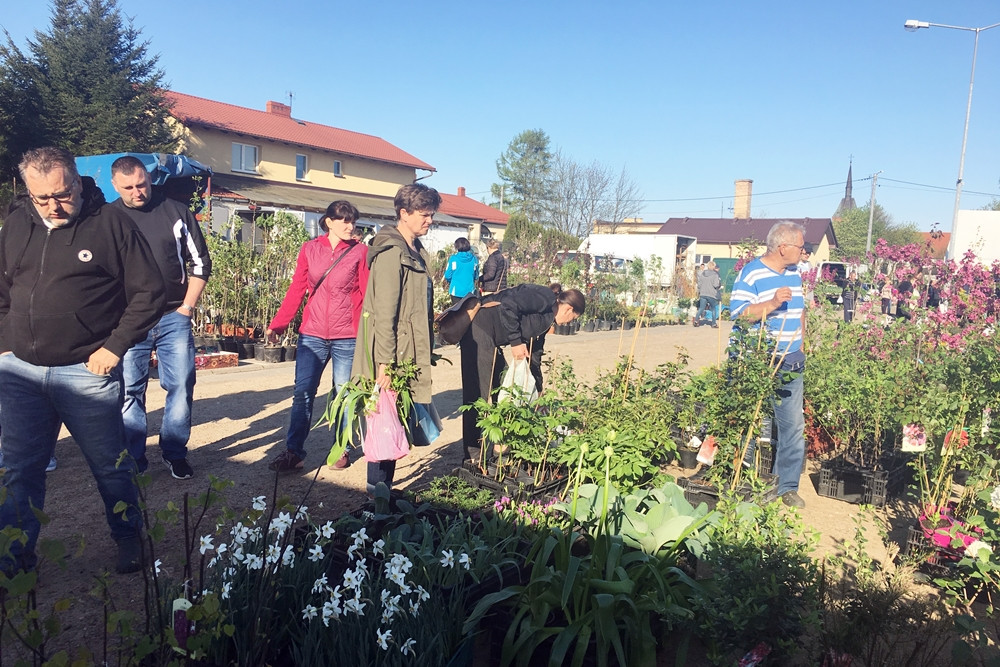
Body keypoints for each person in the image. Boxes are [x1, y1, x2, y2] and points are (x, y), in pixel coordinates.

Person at [0, 147, 165, 574]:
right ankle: (15, 558)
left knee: (110, 467)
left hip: (85, 372)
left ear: (77, 181)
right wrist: (4, 345)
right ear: (28, 193)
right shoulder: (17, 222)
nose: (54, 207)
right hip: (20, 371)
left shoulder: (110, 223)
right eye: (42, 199)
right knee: (19, 470)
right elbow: (3, 290)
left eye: (62, 194)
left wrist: (115, 347)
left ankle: (128, 537)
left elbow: (149, 292)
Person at [110, 156, 212, 479]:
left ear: (149, 178)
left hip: (172, 315)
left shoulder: (176, 211)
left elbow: (200, 263)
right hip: (129, 320)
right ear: (115, 186)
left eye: (142, 184)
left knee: (181, 384)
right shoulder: (108, 218)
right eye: (128, 187)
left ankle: (174, 452)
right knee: (129, 390)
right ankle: (134, 457)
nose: (137, 192)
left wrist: (186, 308)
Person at [266, 201, 369, 473]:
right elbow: (297, 289)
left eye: (353, 221)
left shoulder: (361, 253)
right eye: (345, 221)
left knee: (343, 395)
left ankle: (341, 449)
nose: (350, 226)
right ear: (329, 222)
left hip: (347, 335)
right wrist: (279, 324)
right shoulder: (310, 250)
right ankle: (294, 452)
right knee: (302, 394)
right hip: (311, 334)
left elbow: (367, 294)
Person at [353, 184, 440, 493]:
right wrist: (384, 364)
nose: (430, 220)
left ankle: (383, 497)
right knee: (382, 421)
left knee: (395, 421)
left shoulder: (414, 249)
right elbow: (384, 314)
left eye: (432, 215)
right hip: (392, 354)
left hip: (407, 351)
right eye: (425, 215)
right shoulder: (392, 252)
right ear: (404, 213)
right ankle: (375, 500)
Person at [729, 221, 807, 508]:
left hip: (791, 360)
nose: (803, 251)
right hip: (756, 361)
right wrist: (773, 303)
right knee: (746, 422)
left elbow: (800, 311)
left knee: (792, 426)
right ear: (783, 247)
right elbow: (739, 314)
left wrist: (802, 342)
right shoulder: (751, 274)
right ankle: (740, 481)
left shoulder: (794, 273)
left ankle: (786, 486)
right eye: (800, 246)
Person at [460, 283, 585, 461]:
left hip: (494, 338)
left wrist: (538, 390)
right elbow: (508, 305)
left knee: (505, 390)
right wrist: (516, 342)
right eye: (573, 318)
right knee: (478, 394)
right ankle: (472, 457)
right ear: (569, 309)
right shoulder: (545, 298)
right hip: (480, 329)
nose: (569, 323)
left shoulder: (546, 322)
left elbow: (535, 356)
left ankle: (500, 451)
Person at [444, 237, 480, 303]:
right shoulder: (474, 259)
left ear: (457, 246)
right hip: (469, 291)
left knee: (457, 312)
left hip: (456, 290)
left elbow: (447, 275)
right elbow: (476, 275)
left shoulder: (453, 259)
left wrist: (452, 281)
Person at [695, 261, 722, 327]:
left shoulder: (703, 273)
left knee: (701, 308)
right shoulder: (715, 275)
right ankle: (713, 323)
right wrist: (719, 286)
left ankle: (696, 320)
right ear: (713, 266)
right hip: (711, 294)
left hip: (703, 293)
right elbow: (716, 285)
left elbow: (699, 285)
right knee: (713, 308)